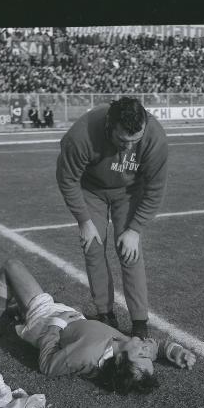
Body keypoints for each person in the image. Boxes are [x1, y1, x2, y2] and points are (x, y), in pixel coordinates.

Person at [0, 259, 195, 393]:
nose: (146, 349)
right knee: (21, 289)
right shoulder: (129, 347)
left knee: (11, 267)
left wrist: (57, 324)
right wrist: (174, 351)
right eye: (149, 355)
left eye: (142, 355)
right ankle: (14, 309)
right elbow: (154, 349)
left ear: (119, 360)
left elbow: (48, 365)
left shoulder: (86, 354)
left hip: (45, 318)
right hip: (64, 314)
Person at [56, 96, 168, 339]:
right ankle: (105, 313)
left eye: (134, 141)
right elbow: (67, 179)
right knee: (93, 247)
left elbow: (155, 188)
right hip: (91, 190)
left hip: (128, 192)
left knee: (130, 251)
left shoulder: (154, 137)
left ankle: (139, 321)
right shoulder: (80, 136)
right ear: (109, 124)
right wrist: (84, 221)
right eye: (121, 140)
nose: (128, 148)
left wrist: (135, 229)